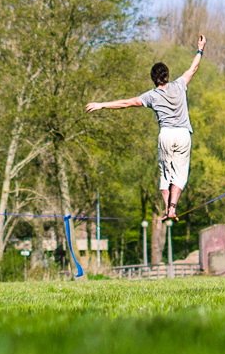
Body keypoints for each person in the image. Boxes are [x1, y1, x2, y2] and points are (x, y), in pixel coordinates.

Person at [87, 35, 206, 222]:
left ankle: (167, 210)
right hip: (183, 133)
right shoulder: (179, 85)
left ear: (153, 79)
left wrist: (102, 104)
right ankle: (172, 209)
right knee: (180, 173)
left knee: (165, 173)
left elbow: (126, 103)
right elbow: (193, 68)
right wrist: (200, 49)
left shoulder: (151, 96)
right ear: (167, 75)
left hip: (166, 134)